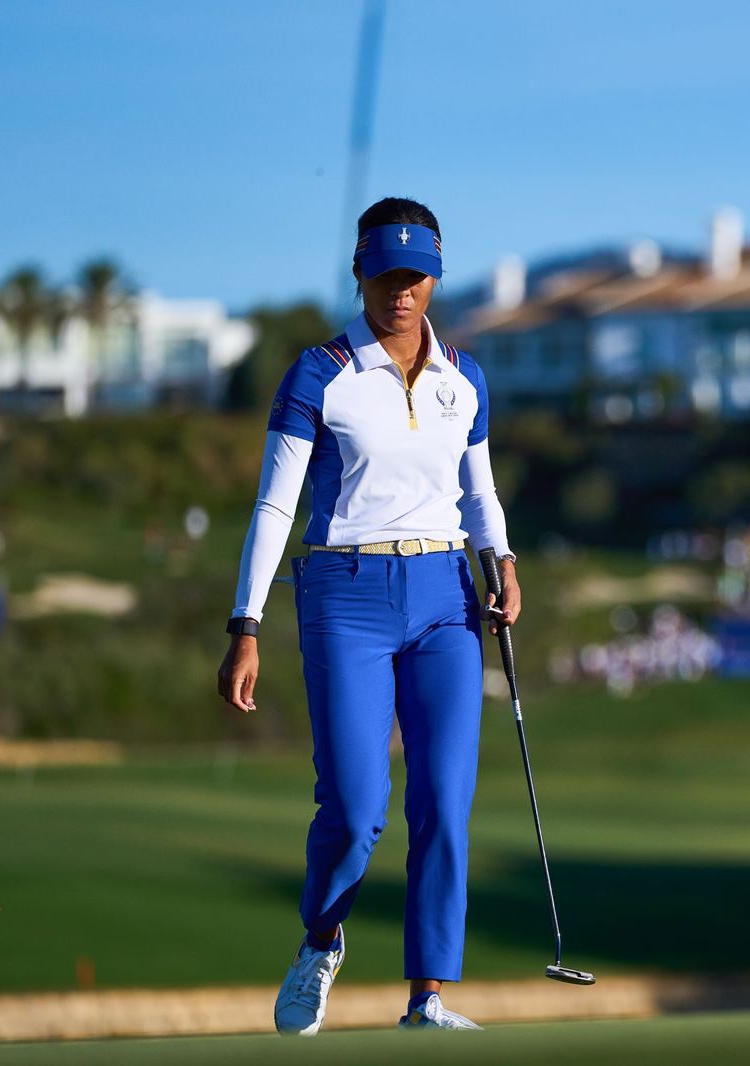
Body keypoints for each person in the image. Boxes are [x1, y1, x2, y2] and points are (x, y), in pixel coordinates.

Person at [216, 196, 519, 1035]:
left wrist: (504, 562)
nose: (399, 292)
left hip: (445, 599)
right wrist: (246, 627)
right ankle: (320, 942)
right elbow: (274, 508)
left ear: (435, 278)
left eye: (414, 276)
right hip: (343, 595)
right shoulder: (320, 373)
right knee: (354, 808)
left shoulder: (466, 379)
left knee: (444, 800)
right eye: (384, 275)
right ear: (360, 274)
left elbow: (479, 491)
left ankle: (427, 997)